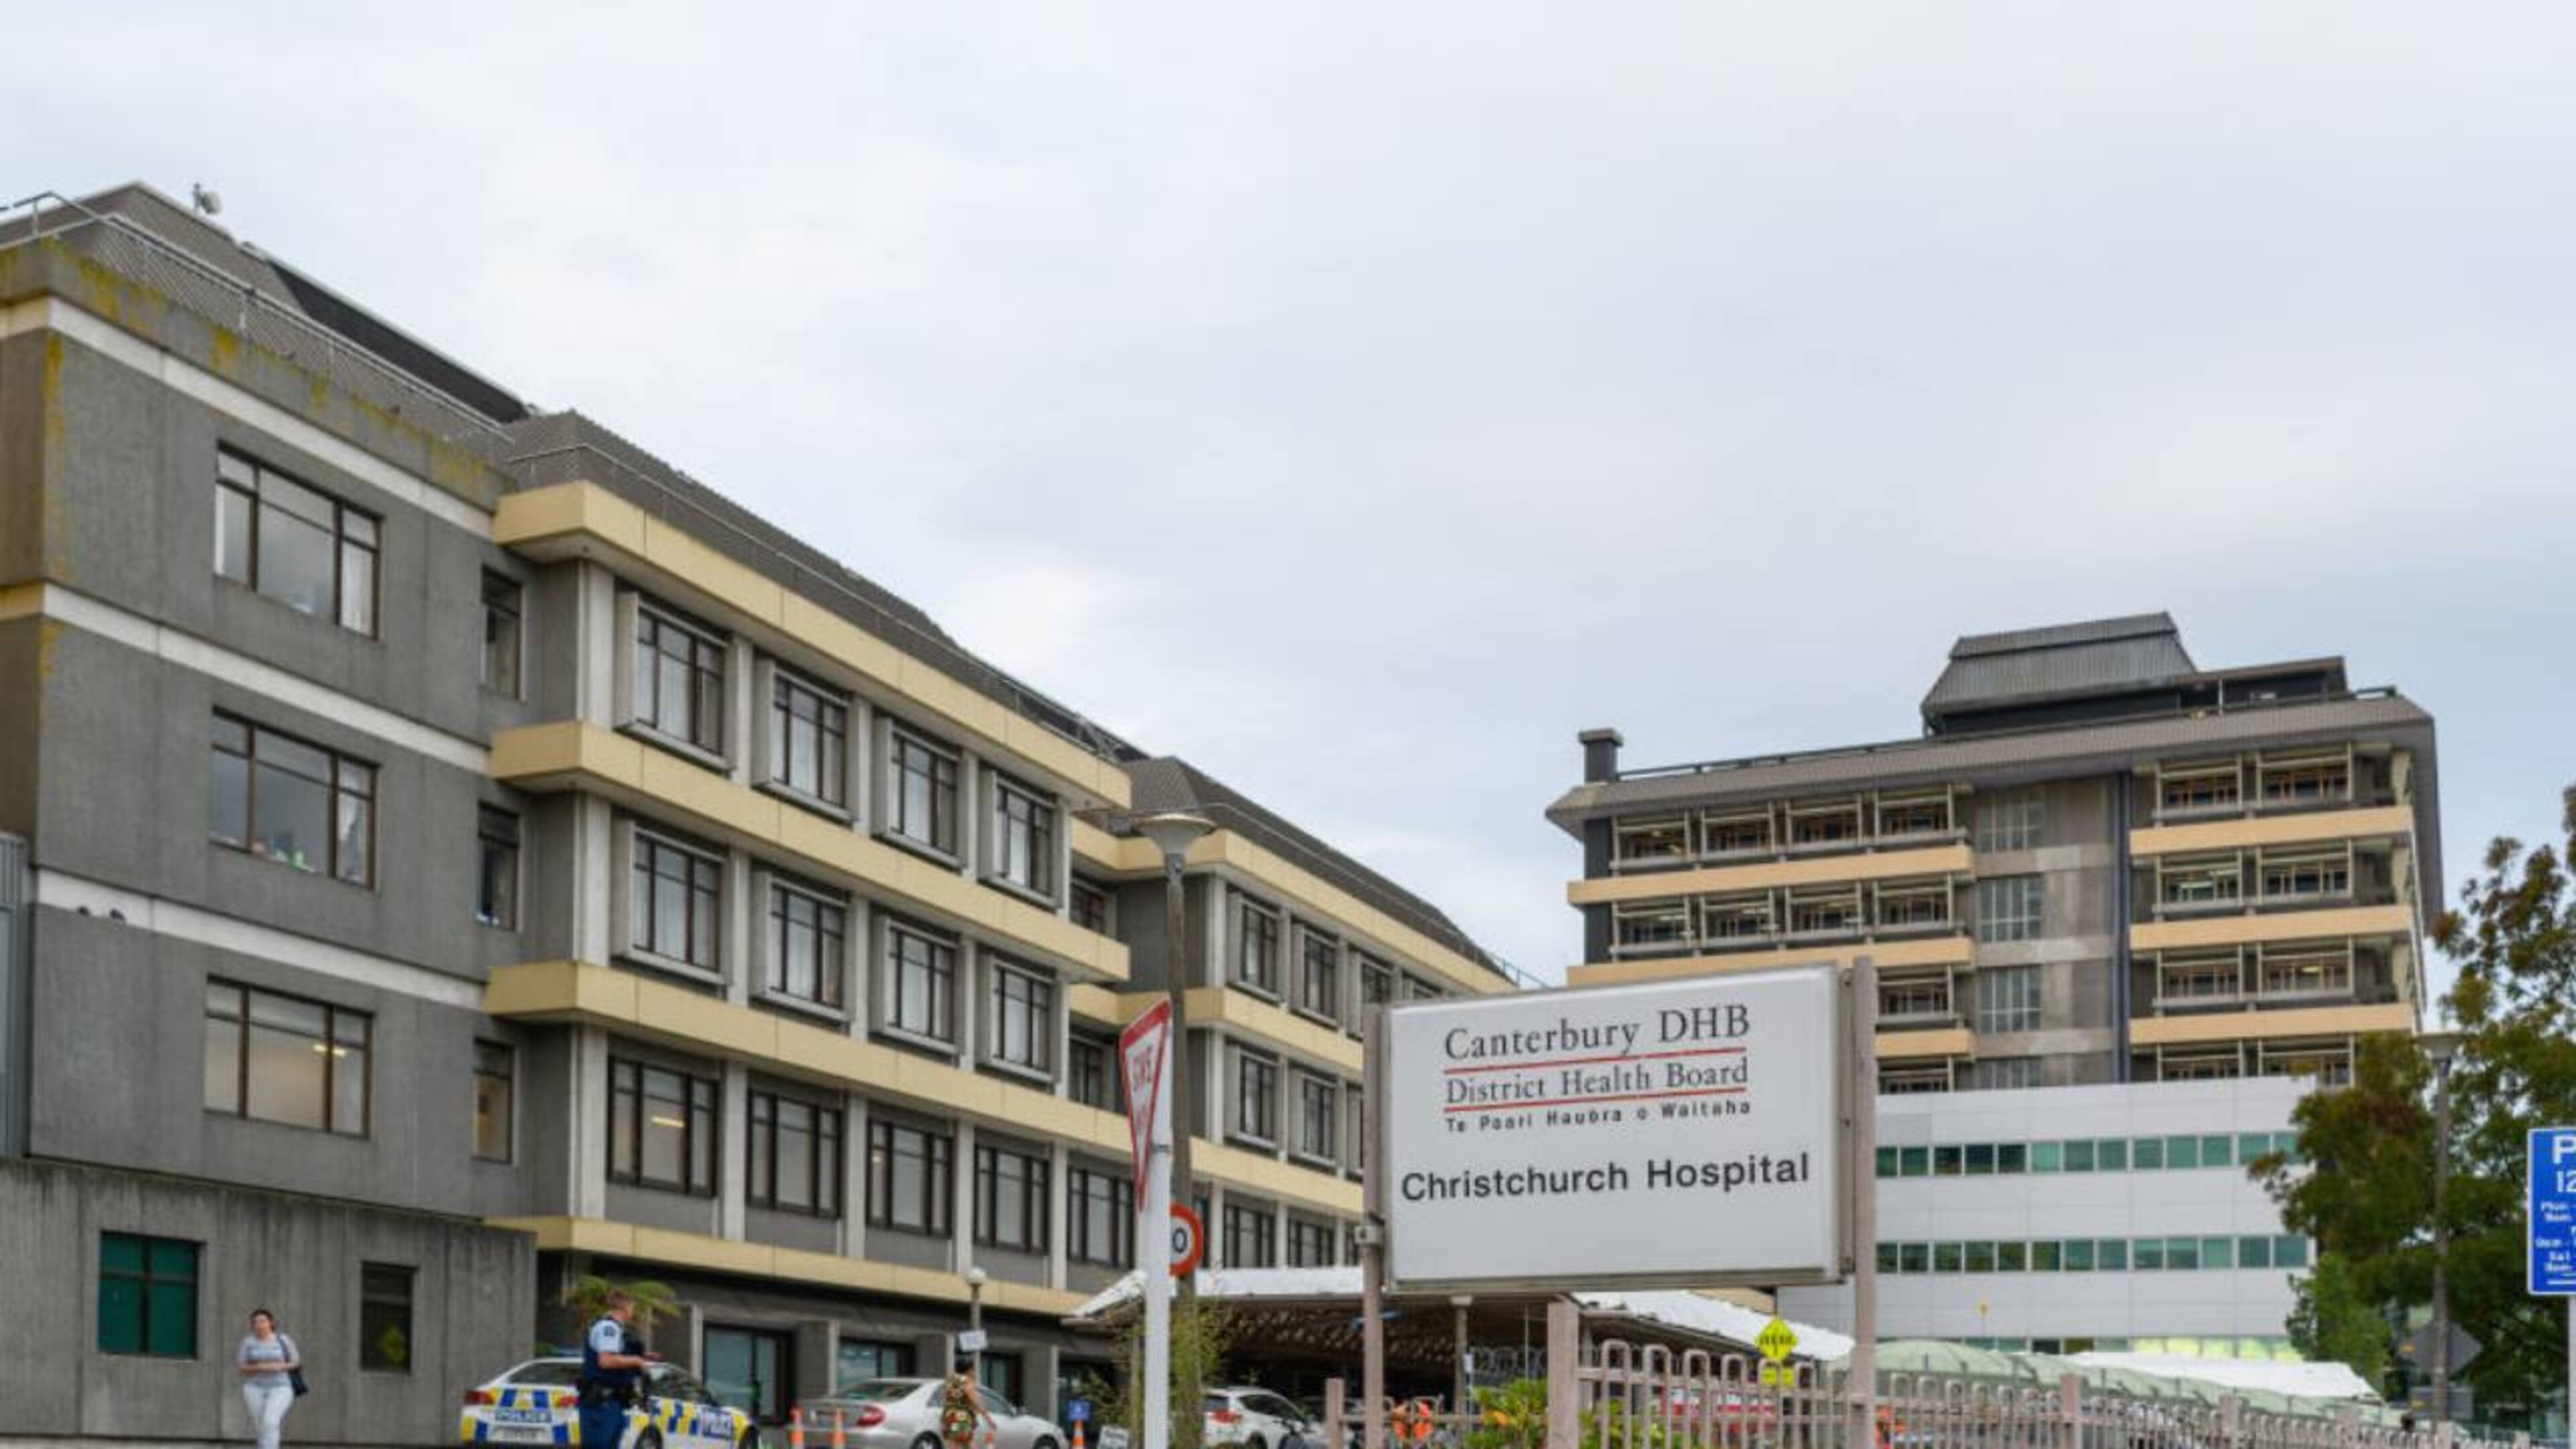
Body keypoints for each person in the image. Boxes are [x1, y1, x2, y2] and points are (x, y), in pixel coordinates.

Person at [576, 1292, 657, 1449]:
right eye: (633, 1307)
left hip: (612, 1403)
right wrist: (636, 1361)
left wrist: (643, 1357)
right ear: (625, 1307)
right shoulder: (609, 1328)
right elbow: (606, 1361)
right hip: (601, 1403)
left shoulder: (616, 1330)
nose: (633, 1312)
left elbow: (616, 1354)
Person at [235, 1309, 301, 1449]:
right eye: (255, 1322)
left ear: (271, 1323)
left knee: (270, 1421)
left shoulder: (283, 1340)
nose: (259, 1325)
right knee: (261, 1426)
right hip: (254, 1388)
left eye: (263, 1321)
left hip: (281, 1387)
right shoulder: (248, 1342)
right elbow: (241, 1366)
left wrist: (279, 1366)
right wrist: (259, 1367)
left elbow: (296, 1362)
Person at [938, 1358, 995, 1449]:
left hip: (949, 1416)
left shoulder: (951, 1381)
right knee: (967, 1443)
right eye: (973, 1370)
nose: (974, 1372)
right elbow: (976, 1402)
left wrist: (944, 1421)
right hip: (961, 1417)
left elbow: (946, 1401)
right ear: (968, 1370)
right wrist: (988, 1419)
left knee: (956, 1443)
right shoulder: (967, 1382)